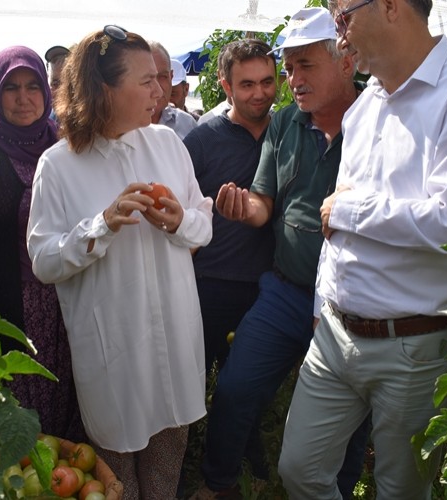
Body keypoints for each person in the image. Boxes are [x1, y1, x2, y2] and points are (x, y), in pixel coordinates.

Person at [277, 0, 447, 498]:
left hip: (413, 344)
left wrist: (349, 211)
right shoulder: (366, 107)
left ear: (389, 6)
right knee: (298, 470)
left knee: (400, 489)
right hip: (336, 335)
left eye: (342, 16)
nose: (339, 36)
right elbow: (332, 228)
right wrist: (323, 305)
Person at [190, 8, 369, 500]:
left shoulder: (378, 122)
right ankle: (219, 481)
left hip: (349, 301)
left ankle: (338, 487)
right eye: (289, 68)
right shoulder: (287, 124)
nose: (293, 81)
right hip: (286, 291)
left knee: (350, 414)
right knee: (236, 387)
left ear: (346, 59)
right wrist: (240, 205)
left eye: (304, 66)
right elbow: (264, 205)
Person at [27, 26, 213, 499]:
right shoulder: (60, 164)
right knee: (116, 483)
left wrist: (177, 221)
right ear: (104, 89)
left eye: (159, 78)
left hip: (174, 341)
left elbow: (203, 224)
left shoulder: (168, 144)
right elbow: (44, 260)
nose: (160, 90)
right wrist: (102, 224)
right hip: (114, 354)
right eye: (146, 80)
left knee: (165, 473)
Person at [0, 46, 85, 442]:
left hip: (68, 294)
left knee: (73, 391)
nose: (23, 98)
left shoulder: (66, 146)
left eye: (32, 87)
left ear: (47, 92)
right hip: (12, 299)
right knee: (20, 400)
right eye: (11, 88)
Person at [182, 38, 277, 494]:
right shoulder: (202, 139)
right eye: (247, 84)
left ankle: (247, 451)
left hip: (266, 283)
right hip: (209, 283)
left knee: (248, 384)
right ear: (225, 85)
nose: (259, 93)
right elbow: (180, 205)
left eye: (266, 82)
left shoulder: (288, 131)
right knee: (192, 379)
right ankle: (186, 459)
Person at [149, 41, 197, 140]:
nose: (157, 87)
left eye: (163, 77)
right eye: (149, 78)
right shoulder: (120, 126)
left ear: (171, 77)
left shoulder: (187, 124)